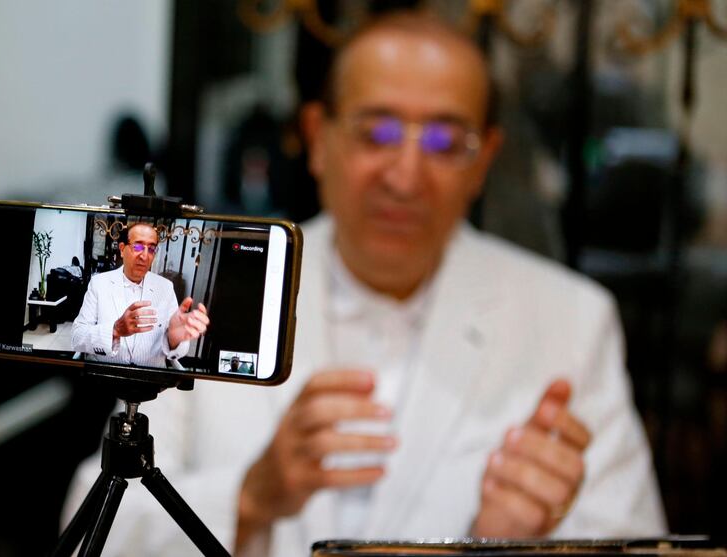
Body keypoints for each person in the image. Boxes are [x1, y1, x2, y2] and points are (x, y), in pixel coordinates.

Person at [63, 11, 665, 556]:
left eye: (444, 142)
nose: (405, 176)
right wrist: (251, 496)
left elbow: (636, 542)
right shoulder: (208, 291)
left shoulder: (571, 321)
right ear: (319, 138)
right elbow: (93, 529)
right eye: (377, 132)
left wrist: (505, 547)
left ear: (483, 162)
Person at [71, 222, 209, 368]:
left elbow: (174, 347)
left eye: (151, 249)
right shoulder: (99, 283)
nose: (144, 255)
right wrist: (115, 330)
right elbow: (77, 337)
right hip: (103, 375)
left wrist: (173, 338)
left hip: (150, 380)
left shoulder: (166, 288)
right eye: (137, 246)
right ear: (122, 249)